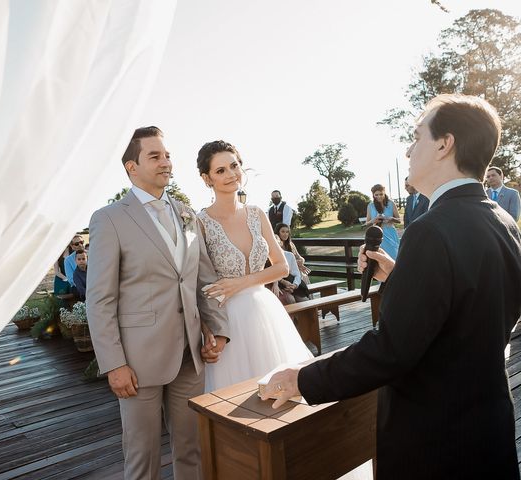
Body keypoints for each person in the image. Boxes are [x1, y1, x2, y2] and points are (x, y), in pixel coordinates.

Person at [263, 94, 521, 479]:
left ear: (444, 144)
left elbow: (392, 350)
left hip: (436, 444)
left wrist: (302, 378)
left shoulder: (430, 230)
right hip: (488, 429)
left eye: (417, 136)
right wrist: (401, 277)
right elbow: (469, 306)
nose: (409, 147)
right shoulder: (502, 221)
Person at [86, 126, 229, 480]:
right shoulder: (109, 219)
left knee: (191, 449)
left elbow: (202, 279)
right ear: (131, 167)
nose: (165, 162)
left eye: (167, 155)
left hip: (190, 356)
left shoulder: (186, 213)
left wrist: (219, 330)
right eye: (154, 156)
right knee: (142, 457)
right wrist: (113, 363)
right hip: (137, 362)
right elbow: (100, 299)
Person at [196, 140, 312, 392]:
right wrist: (209, 332)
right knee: (237, 397)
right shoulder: (201, 222)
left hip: (265, 312)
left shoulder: (257, 213)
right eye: (220, 170)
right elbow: (199, 284)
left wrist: (240, 283)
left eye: (234, 165)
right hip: (226, 322)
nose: (231, 174)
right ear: (207, 179)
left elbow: (282, 267)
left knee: (284, 390)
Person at [364, 184, 400, 259]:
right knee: (380, 259)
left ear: (384, 193)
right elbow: (367, 224)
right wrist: (373, 220)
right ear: (373, 195)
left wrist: (391, 218)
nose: (379, 196)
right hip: (377, 235)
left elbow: (399, 220)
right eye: (376, 195)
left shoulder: (391, 203)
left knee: (394, 257)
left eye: (381, 194)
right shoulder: (370, 206)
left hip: (390, 233)